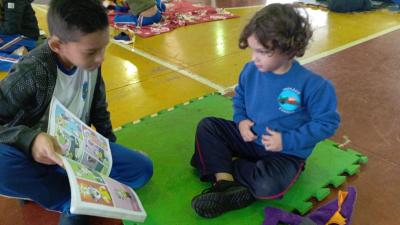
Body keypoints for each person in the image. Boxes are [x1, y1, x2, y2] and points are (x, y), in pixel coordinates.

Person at [0, 0, 153, 225]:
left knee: (142, 169)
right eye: (92, 52)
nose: (100, 58)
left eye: (104, 47)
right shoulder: (33, 71)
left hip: (78, 150)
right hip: (39, 153)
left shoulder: (90, 61)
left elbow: (98, 107)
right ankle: (69, 199)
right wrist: (30, 140)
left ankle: (65, 190)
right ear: (56, 45)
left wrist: (109, 147)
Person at [190, 3, 340, 218]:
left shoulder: (314, 85)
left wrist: (286, 141)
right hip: (250, 139)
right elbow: (240, 96)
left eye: (262, 52)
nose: (254, 58)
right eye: (253, 50)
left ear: (288, 49)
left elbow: (327, 124)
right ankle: (225, 184)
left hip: (285, 154)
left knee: (269, 184)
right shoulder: (251, 70)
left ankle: (229, 170)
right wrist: (241, 120)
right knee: (208, 126)